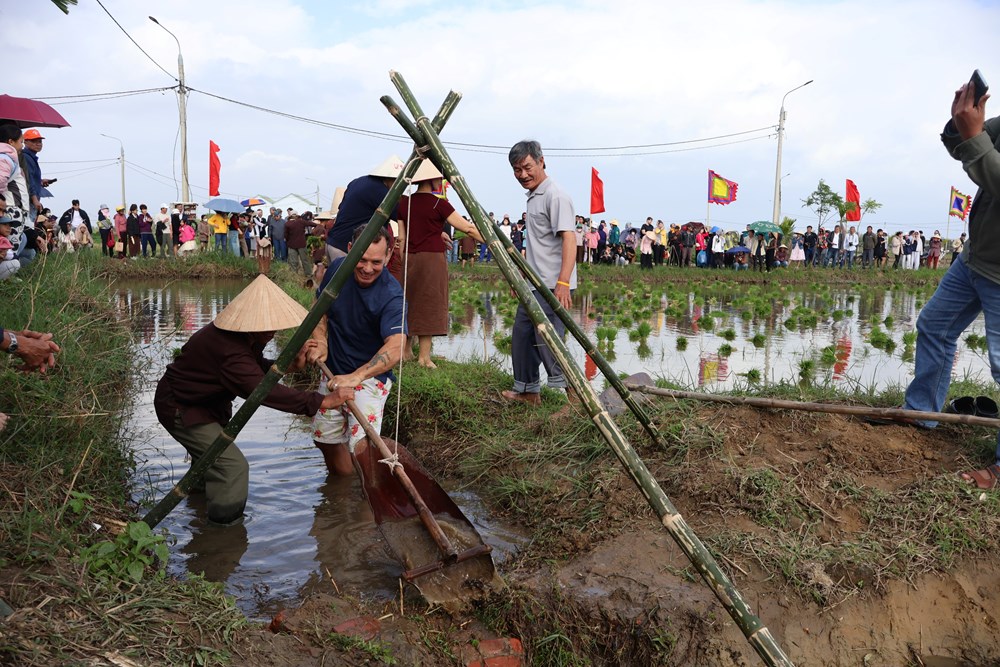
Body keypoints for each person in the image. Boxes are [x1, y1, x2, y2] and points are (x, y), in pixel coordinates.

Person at [155, 275, 354, 525]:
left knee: (207, 468)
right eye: (267, 326)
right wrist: (322, 402)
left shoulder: (243, 338)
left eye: (274, 326)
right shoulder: (229, 349)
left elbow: (254, 368)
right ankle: (222, 534)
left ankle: (197, 512)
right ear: (250, 322)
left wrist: (290, 366)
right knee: (232, 469)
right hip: (181, 407)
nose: (272, 333)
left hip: (204, 405)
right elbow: (263, 391)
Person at [892, 77, 1000, 489]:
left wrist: (973, 137)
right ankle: (923, 413)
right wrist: (961, 125)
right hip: (976, 257)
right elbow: (968, 146)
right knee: (934, 325)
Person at [306, 226, 407, 476]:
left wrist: (357, 377)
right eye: (361, 259)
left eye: (376, 262)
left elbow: (396, 348)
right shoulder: (337, 271)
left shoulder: (392, 295)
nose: (367, 268)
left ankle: (363, 496)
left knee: (361, 449)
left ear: (387, 256)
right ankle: (344, 490)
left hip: (370, 379)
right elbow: (319, 308)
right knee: (324, 437)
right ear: (350, 251)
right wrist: (320, 339)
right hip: (333, 373)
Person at [501, 140, 577, 409]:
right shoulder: (534, 196)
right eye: (517, 169)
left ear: (541, 161)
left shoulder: (555, 195)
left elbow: (569, 239)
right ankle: (528, 391)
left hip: (552, 285)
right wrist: (521, 276)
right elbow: (535, 246)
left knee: (548, 340)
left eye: (527, 167)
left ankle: (576, 398)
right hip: (534, 283)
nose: (522, 174)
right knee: (522, 335)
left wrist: (564, 282)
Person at [398, 160, 483, 368]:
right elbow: (468, 229)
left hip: (409, 256)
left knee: (409, 301)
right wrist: (492, 241)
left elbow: (401, 237)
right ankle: (424, 357)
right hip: (432, 259)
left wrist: (403, 260)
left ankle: (406, 351)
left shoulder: (404, 203)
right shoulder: (439, 203)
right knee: (429, 302)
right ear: (434, 179)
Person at [326, 155, 403, 262]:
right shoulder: (380, 191)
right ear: (390, 178)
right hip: (346, 248)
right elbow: (401, 214)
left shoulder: (357, 182)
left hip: (334, 242)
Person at [21, 129, 52, 222]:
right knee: (28, 227)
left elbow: (31, 178)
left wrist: (40, 181)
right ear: (25, 142)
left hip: (31, 198)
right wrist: (34, 199)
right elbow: (28, 179)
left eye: (40, 141)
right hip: (29, 200)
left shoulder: (31, 157)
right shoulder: (26, 157)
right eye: (34, 141)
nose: (38, 143)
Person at [286, 211, 318, 280]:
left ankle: (294, 276)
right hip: (301, 244)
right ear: (297, 216)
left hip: (291, 244)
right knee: (305, 260)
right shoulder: (301, 222)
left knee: (293, 261)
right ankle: (309, 275)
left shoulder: (287, 224)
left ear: (290, 216)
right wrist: (318, 225)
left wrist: (288, 241)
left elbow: (286, 235)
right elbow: (311, 224)